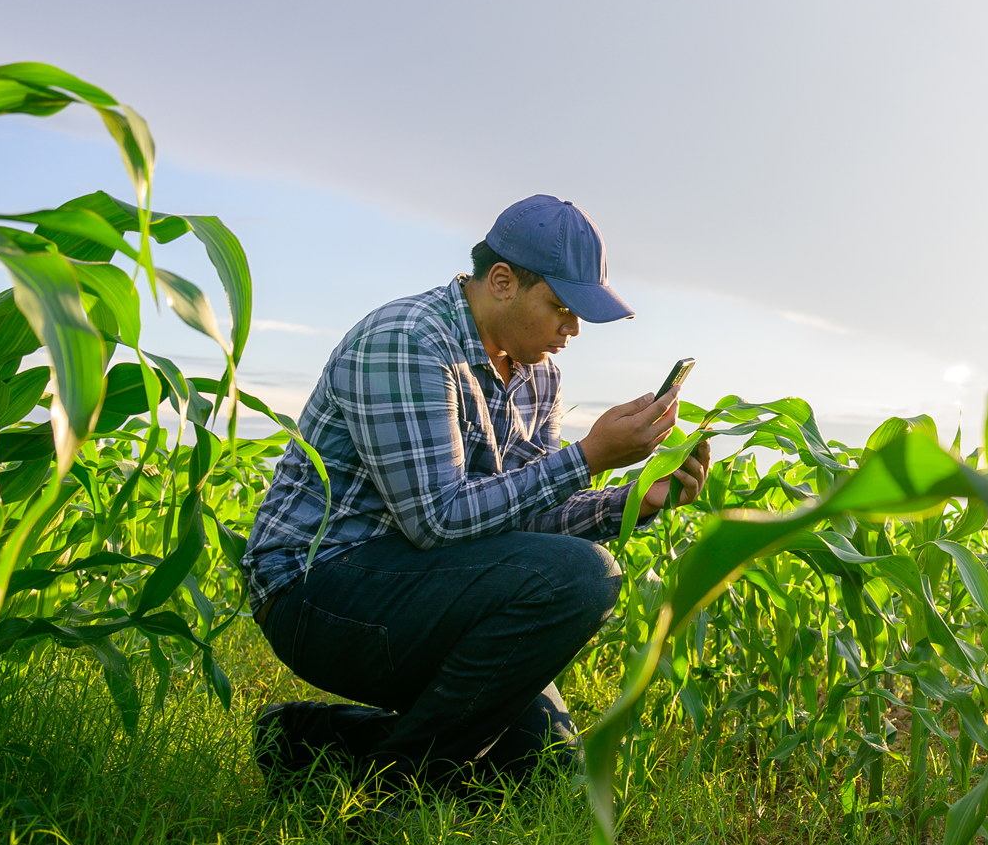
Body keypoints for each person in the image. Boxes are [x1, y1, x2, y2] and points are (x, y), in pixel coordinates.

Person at [240, 194, 711, 798]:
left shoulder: (539, 375)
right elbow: (436, 520)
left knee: (542, 769)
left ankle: (306, 739)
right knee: (586, 577)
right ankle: (395, 792)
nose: (572, 330)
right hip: (317, 587)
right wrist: (590, 456)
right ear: (503, 281)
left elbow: (526, 518)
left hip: (426, 581)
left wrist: (635, 500)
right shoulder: (408, 340)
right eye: (562, 308)